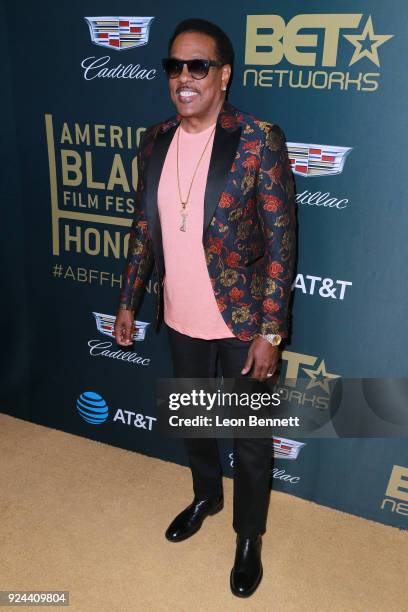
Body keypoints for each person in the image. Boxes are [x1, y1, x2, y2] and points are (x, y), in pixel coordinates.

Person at [114, 18, 296, 598]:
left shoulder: (256, 138)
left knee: (248, 437)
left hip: (243, 323)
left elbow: (282, 240)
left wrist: (271, 330)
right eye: (174, 66)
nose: (183, 77)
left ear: (223, 75)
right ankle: (206, 496)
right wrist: (128, 302)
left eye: (198, 66)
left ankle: (248, 538)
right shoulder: (155, 139)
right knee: (194, 420)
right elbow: (145, 229)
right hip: (179, 315)